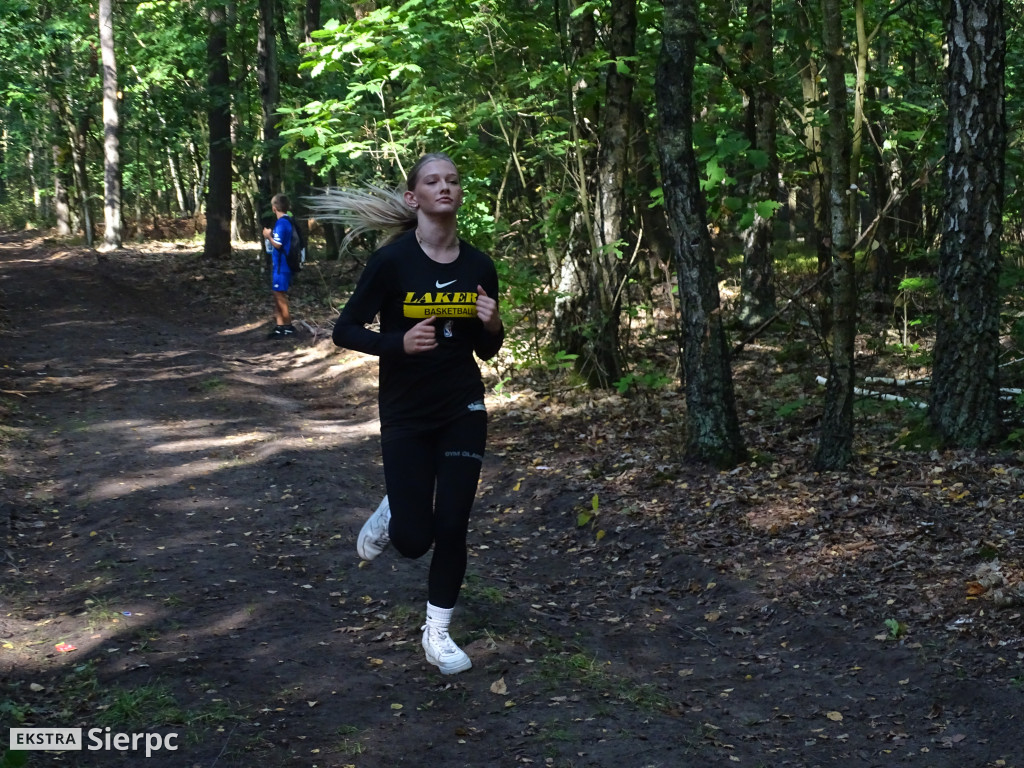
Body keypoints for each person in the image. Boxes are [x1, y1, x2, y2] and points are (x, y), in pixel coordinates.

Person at [321, 153, 504, 675]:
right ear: (413, 197)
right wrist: (397, 342)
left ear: (459, 193)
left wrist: (492, 327)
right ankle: (394, 512)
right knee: (412, 540)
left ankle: (438, 632)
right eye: (432, 181)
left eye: (452, 179)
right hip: (405, 411)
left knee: (453, 523)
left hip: (462, 405)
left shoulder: (478, 265)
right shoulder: (393, 262)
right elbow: (346, 329)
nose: (444, 186)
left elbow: (487, 351)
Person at [262, 193, 297, 339]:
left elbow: (278, 244)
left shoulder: (282, 223)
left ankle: (287, 327)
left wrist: (268, 236)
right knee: (277, 294)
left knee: (280, 295)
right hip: (279, 266)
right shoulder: (285, 222)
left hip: (282, 267)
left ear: (274, 208)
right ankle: (279, 326)